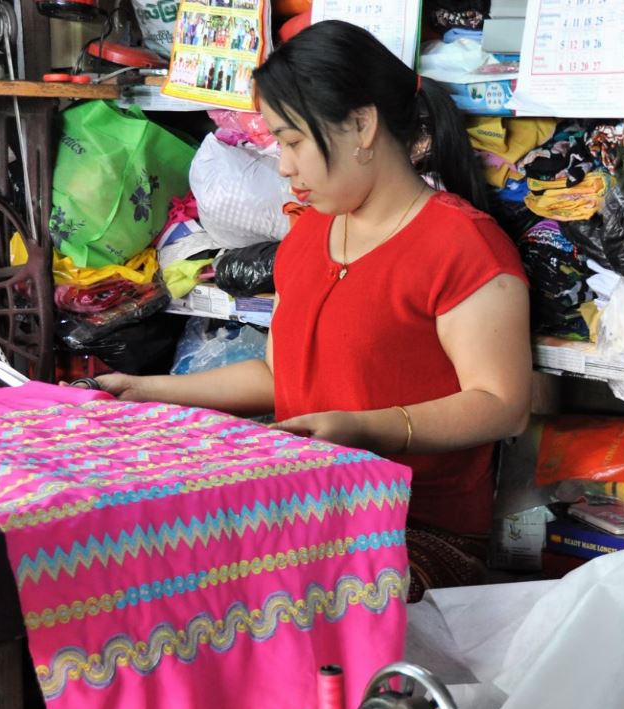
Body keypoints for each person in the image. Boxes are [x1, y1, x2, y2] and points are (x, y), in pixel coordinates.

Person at [90, 21, 531, 601]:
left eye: (294, 142)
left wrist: (366, 431)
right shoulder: (307, 237)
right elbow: (279, 376)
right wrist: (143, 390)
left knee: (254, 601)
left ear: (362, 125)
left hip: (413, 530)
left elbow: (502, 406)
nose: (284, 167)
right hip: (308, 510)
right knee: (139, 563)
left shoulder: (462, 245)